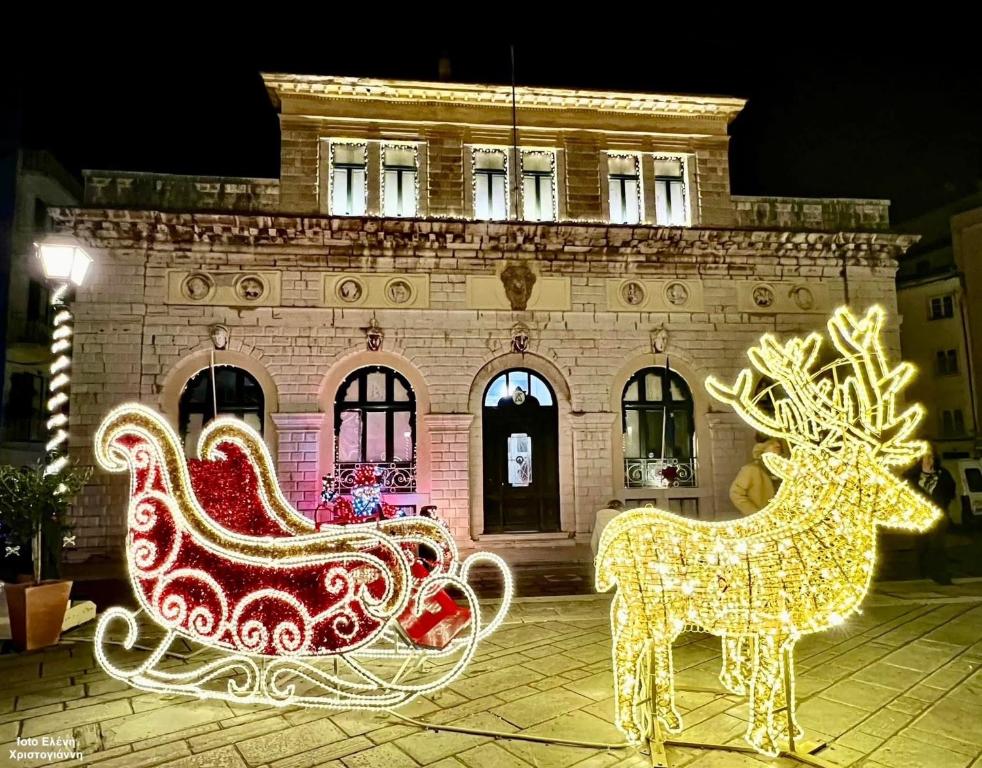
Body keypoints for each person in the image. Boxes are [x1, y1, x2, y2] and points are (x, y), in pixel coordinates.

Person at [905, 446, 954, 585]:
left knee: (938, 545)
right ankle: (922, 573)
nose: (927, 460)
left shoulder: (942, 474)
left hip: (938, 517)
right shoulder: (911, 476)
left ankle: (940, 574)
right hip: (919, 518)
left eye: (930, 457)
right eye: (924, 457)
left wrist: (943, 504)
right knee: (922, 545)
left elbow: (950, 491)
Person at [729, 437, 784, 516]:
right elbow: (736, 494)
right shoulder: (751, 470)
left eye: (779, 448)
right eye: (773, 445)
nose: (778, 446)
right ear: (763, 450)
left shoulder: (782, 471)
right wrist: (756, 514)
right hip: (760, 522)